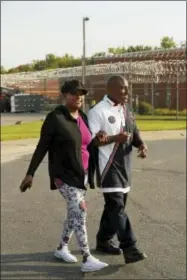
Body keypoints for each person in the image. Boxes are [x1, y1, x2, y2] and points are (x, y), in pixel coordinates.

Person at [19, 80, 108, 273]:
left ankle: (61, 248)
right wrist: (30, 173)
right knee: (81, 210)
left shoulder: (82, 116)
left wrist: (97, 140)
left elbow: (86, 144)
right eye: (74, 93)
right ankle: (86, 258)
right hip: (64, 175)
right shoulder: (55, 118)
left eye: (81, 94)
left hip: (81, 174)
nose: (78, 97)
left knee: (73, 213)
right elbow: (42, 146)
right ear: (64, 95)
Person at [87, 75, 148, 264]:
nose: (127, 92)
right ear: (111, 89)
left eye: (127, 88)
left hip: (125, 167)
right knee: (117, 207)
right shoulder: (98, 111)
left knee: (113, 209)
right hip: (108, 167)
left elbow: (134, 130)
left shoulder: (126, 109)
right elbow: (92, 141)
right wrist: (115, 138)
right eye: (123, 88)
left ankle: (104, 241)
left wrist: (141, 144)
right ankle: (130, 248)